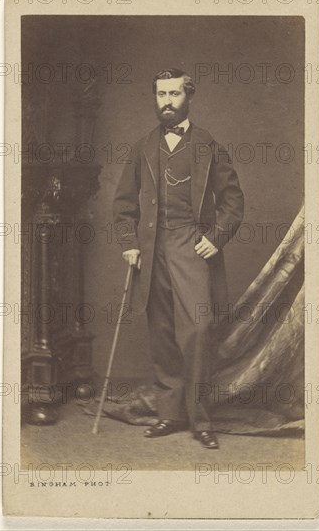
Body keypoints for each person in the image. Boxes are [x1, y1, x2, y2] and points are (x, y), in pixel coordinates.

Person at [113, 68, 244, 449]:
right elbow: (123, 204)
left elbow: (233, 201)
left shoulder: (208, 145)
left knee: (198, 331)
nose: (166, 102)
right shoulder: (142, 147)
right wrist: (128, 243)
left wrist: (216, 239)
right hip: (153, 249)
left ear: (189, 96)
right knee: (164, 333)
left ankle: (201, 420)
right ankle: (170, 414)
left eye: (173, 94)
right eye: (160, 95)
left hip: (192, 244)